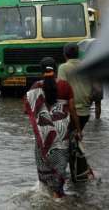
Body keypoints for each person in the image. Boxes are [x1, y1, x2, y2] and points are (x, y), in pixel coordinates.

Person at [24, 57, 82, 198]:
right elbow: (73, 109)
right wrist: (78, 129)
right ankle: (57, 194)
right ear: (55, 69)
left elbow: (28, 110)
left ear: (41, 70)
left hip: (44, 132)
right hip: (62, 131)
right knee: (60, 161)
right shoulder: (64, 85)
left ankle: (45, 193)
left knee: (44, 161)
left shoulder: (35, 87)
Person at [58, 43, 92, 130]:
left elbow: (62, 89)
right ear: (78, 54)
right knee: (76, 136)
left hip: (71, 111)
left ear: (65, 54)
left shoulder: (63, 67)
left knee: (70, 137)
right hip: (86, 112)